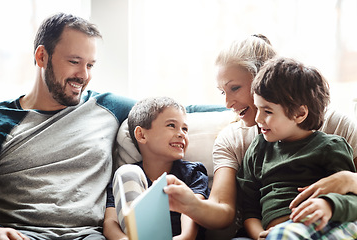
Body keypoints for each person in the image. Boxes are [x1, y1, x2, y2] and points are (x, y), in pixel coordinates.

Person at [163, 35, 357, 237]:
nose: (228, 103)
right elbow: (234, 208)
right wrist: (191, 203)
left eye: (234, 88)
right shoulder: (245, 144)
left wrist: (347, 181)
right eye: (223, 92)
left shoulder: (335, 131)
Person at [0, 13, 136, 240]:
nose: (84, 75)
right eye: (74, 62)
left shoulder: (106, 107)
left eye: (90, 65)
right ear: (42, 56)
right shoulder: (3, 119)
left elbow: (174, 111)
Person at [237, 57, 357, 240]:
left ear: (300, 114)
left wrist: (329, 205)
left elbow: (353, 200)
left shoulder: (331, 147)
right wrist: (258, 234)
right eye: (257, 108)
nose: (258, 118)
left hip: (315, 228)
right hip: (270, 235)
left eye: (267, 111)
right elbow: (249, 207)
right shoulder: (258, 149)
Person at [103, 97, 209, 240]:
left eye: (185, 129)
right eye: (171, 125)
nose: (181, 134)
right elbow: (110, 222)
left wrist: (184, 237)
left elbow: (190, 215)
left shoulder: (193, 173)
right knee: (126, 172)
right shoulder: (124, 177)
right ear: (141, 135)